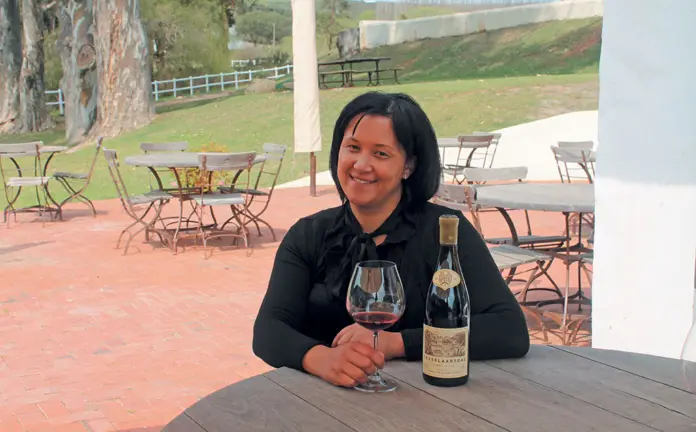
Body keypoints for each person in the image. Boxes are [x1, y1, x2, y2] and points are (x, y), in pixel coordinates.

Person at [252, 91, 530, 388]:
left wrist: (397, 343)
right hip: (319, 399)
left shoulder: (445, 231)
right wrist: (323, 360)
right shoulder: (308, 234)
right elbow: (268, 330)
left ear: (408, 166)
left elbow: (509, 330)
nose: (361, 164)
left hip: (429, 399)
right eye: (353, 147)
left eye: (381, 153)